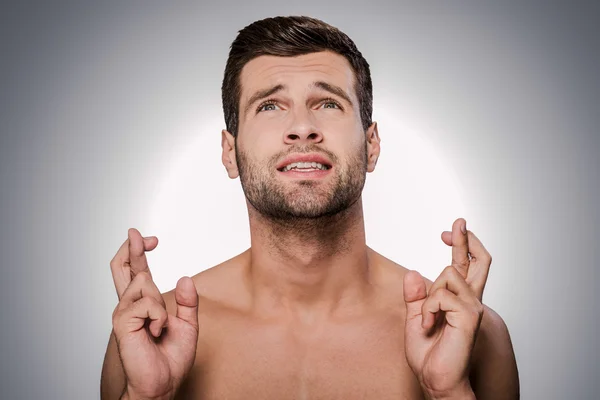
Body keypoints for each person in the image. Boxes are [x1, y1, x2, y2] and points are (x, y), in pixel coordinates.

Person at [101, 16, 519, 400]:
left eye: (328, 103)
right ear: (230, 152)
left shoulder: (470, 334)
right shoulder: (151, 333)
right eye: (269, 105)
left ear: (371, 145)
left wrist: (448, 393)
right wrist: (147, 398)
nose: (302, 127)